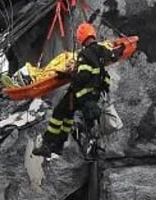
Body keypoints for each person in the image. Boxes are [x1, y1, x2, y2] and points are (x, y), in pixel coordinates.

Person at [33, 22, 125, 157]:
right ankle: (58, 146)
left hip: (81, 94)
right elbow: (112, 58)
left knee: (58, 113)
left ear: (81, 38)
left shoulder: (85, 54)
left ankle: (48, 144)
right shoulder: (103, 50)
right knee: (68, 114)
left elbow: (83, 77)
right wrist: (121, 47)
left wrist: (68, 75)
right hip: (93, 95)